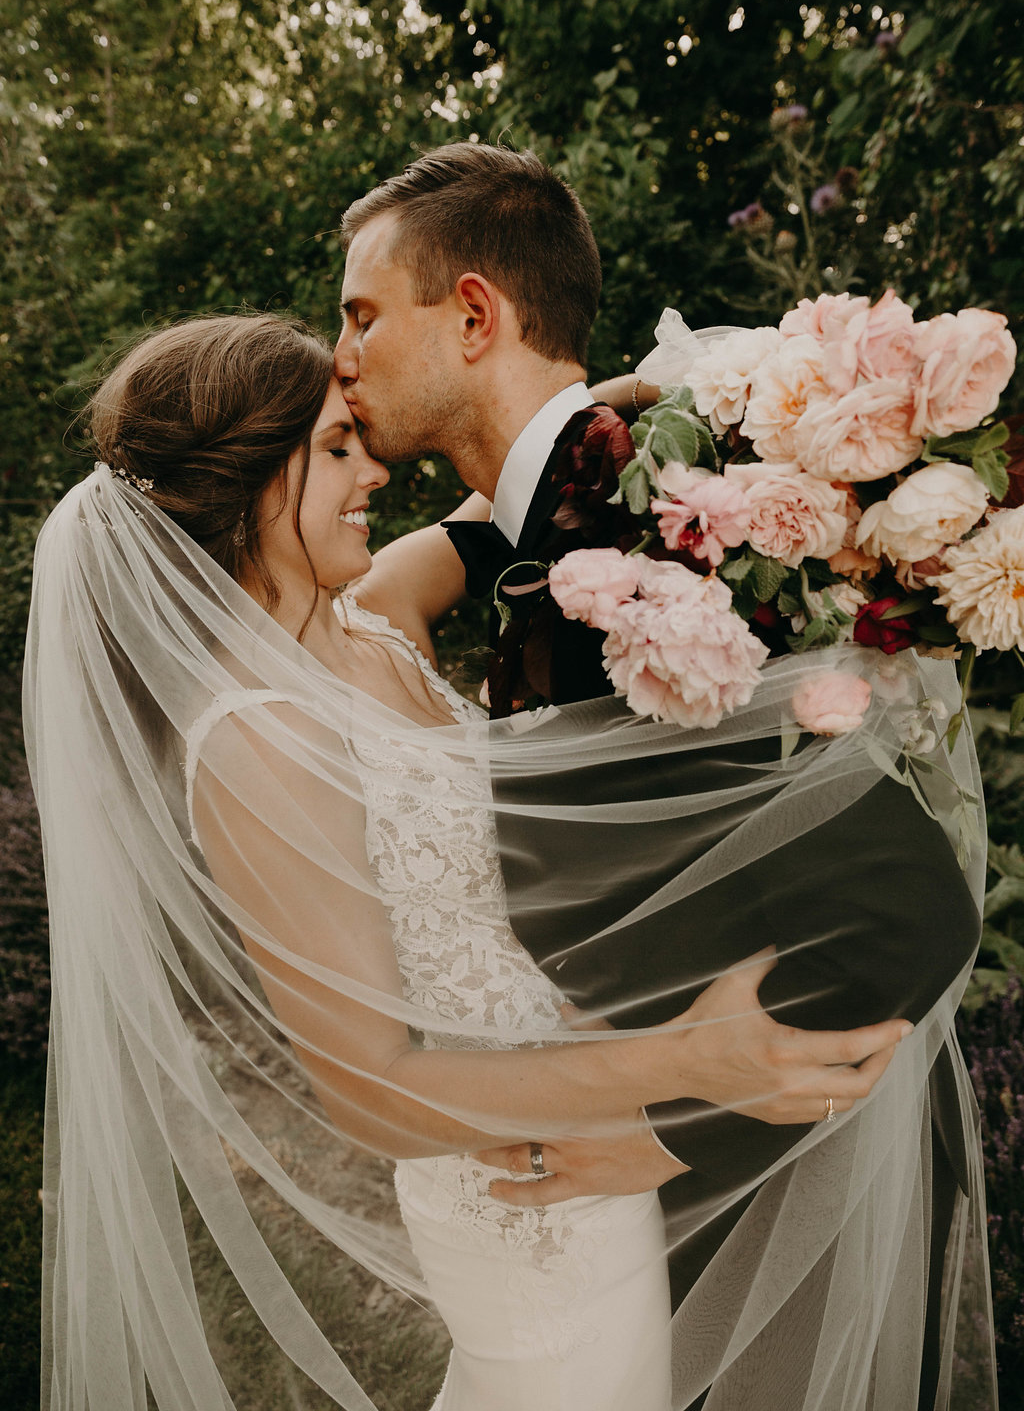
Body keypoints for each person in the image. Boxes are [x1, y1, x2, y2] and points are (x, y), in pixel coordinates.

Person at [26, 312, 909, 1411]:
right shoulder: (253, 738)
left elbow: (525, 470)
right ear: (252, 484)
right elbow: (373, 1093)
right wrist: (689, 1064)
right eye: (336, 449)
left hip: (602, 1143)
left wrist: (738, 392)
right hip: (523, 1201)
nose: (375, 471)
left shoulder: (380, 616)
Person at [334, 142, 998, 1409]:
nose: (340, 355)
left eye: (363, 315)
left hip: (782, 1206)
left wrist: (667, 1127)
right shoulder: (567, 505)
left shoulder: (663, 533)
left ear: (473, 314)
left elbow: (907, 910)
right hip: (677, 1228)